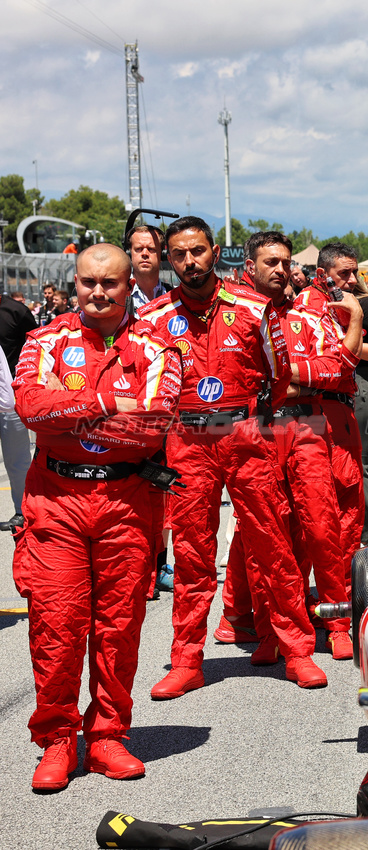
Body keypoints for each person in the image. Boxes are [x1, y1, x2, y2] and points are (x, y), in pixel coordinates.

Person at [14, 244, 182, 791]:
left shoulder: (158, 343)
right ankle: (57, 739)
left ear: (128, 282)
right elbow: (31, 409)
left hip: (127, 502)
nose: (99, 293)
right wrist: (108, 403)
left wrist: (76, 410)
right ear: (77, 281)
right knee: (57, 627)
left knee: (118, 627)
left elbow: (153, 425)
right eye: (89, 282)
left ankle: (108, 735)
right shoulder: (45, 339)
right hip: (55, 501)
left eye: (110, 283)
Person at [138, 216, 326, 697]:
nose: (189, 261)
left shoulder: (254, 308)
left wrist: (251, 414)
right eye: (178, 254)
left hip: (244, 436)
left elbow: (281, 375)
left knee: (271, 542)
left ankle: (297, 650)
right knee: (192, 553)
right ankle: (186, 661)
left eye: (196, 251)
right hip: (187, 441)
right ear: (168, 259)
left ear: (214, 250)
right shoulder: (154, 318)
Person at [218, 231, 364, 661]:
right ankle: (270, 631)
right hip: (255, 432)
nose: (281, 270)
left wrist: (281, 375)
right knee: (267, 535)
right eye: (271, 263)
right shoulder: (235, 316)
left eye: (285, 263)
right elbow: (234, 377)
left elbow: (340, 368)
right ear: (251, 268)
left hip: (307, 427)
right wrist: (297, 376)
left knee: (323, 527)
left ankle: (339, 622)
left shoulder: (307, 314)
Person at [308, 243, 368, 545]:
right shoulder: (311, 306)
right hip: (325, 392)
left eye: (355, 271)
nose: (351, 278)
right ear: (323, 274)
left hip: (362, 388)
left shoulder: (367, 304)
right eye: (344, 273)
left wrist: (341, 342)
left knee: (358, 466)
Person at [0, 288, 36, 529]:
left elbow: (36, 348)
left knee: (17, 461)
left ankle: (23, 512)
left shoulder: (17, 311)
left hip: (10, 400)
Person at [127, 223, 168, 309]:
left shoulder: (175, 296)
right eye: (138, 249)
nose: (145, 254)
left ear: (162, 255)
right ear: (129, 254)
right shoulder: (119, 296)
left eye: (151, 249)